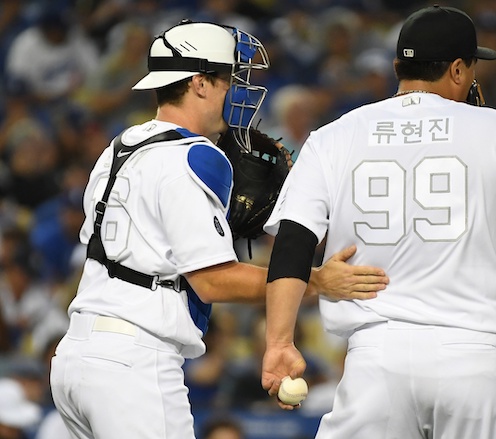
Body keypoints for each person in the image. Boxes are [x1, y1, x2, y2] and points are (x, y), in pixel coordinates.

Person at [49, 19, 388, 439]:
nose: (235, 90)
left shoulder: (119, 146)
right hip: (134, 362)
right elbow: (213, 281)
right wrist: (315, 279)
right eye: (228, 78)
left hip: (76, 358)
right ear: (199, 84)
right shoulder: (196, 157)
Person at [261, 5, 496, 439]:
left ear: (396, 66)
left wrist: (279, 343)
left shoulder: (335, 134)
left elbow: (291, 243)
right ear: (458, 70)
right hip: (475, 356)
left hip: (377, 358)